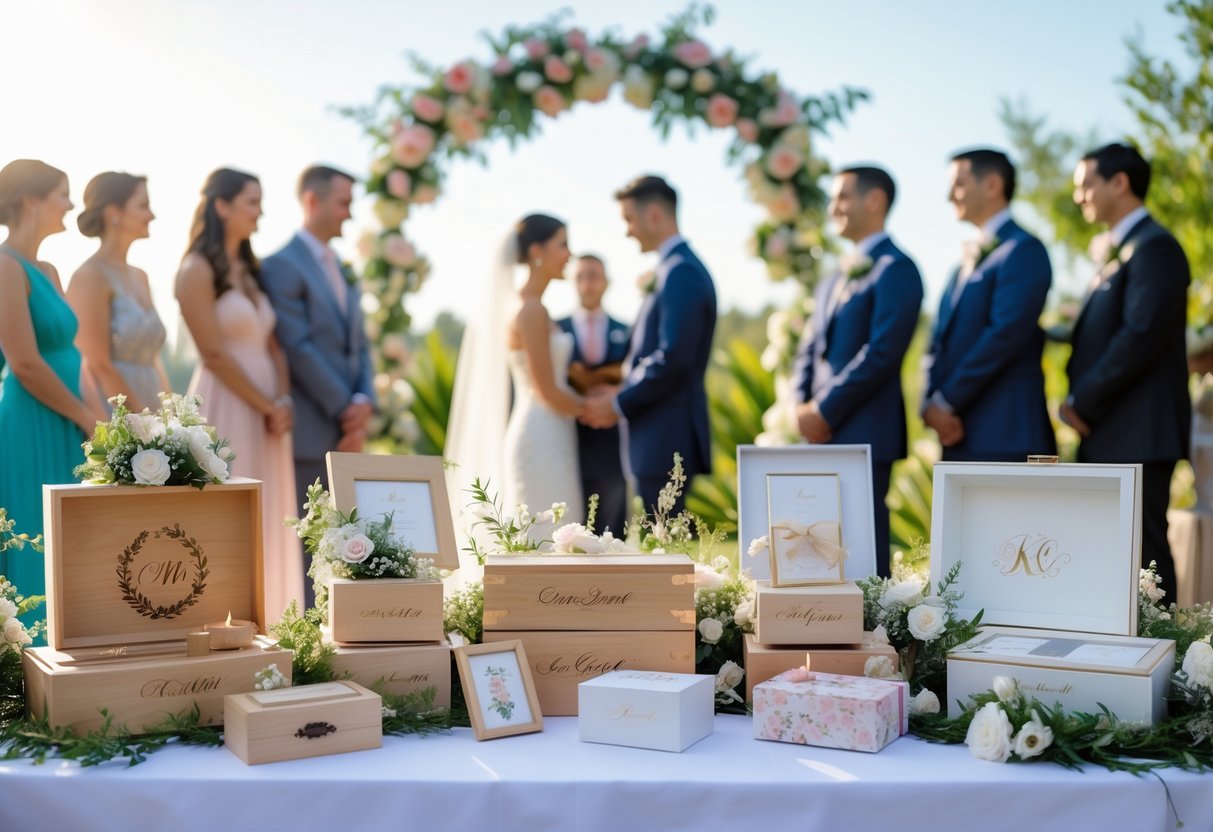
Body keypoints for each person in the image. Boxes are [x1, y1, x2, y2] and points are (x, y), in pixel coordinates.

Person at [1063, 142, 1190, 603]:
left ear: (1119, 183)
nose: (1079, 197)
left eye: (1086, 185)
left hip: (1138, 430)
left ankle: (1169, 662)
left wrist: (1082, 401)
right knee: (1113, 554)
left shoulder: (1155, 248)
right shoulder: (1125, 249)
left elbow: (1141, 334)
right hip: (1113, 429)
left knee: (1145, 556)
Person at [175, 168, 303, 623]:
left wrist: (282, 402)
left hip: (270, 411)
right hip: (227, 402)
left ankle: (275, 621)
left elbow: (273, 344)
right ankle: (223, 623)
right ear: (222, 205)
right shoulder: (195, 270)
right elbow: (212, 352)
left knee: (272, 512)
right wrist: (267, 404)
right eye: (252, 201)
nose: (260, 211)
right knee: (230, 515)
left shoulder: (251, 270)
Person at [791, 166, 923, 577]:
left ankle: (874, 632)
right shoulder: (832, 277)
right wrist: (800, 405)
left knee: (862, 549)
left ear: (875, 200)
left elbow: (882, 353)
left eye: (842, 197)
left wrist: (824, 410)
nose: (833, 208)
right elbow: (810, 347)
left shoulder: (896, 268)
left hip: (865, 430)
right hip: (818, 431)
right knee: (816, 543)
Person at [261, 166, 374, 606]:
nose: (350, 213)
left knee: (346, 546)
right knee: (309, 549)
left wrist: (364, 401)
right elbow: (298, 346)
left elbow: (359, 345)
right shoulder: (281, 266)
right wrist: (345, 408)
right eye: (343, 202)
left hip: (350, 429)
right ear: (313, 201)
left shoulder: (343, 269)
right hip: (310, 431)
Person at [0, 160, 104, 617]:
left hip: (71, 415)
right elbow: (24, 362)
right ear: (30, 200)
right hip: (33, 418)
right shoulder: (5, 267)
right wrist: (85, 416)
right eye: (62, 193)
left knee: (75, 543)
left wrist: (99, 414)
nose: (69, 203)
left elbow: (73, 355)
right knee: (35, 537)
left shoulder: (48, 270)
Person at [446, 214, 585, 551]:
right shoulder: (530, 311)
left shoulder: (538, 309)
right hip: (541, 435)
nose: (570, 254)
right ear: (537, 251)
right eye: (562, 244)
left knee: (559, 531)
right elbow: (546, 390)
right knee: (544, 533)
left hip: (555, 431)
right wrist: (602, 409)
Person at [582, 175, 716, 516]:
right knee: (659, 545)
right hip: (655, 435)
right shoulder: (672, 269)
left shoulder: (680, 272)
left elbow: (673, 358)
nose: (628, 230)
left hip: (665, 436)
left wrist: (618, 402)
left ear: (654, 214)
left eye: (629, 219)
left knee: (666, 549)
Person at [923, 148, 1055, 461]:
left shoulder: (1024, 250)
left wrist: (945, 401)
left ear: (993, 185)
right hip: (955, 433)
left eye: (958, 184)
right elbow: (938, 339)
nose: (949, 196)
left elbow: (1005, 334)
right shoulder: (960, 266)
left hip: (1005, 433)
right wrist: (929, 403)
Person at [68, 172, 169, 414]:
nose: (151, 215)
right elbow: (98, 364)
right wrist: (141, 423)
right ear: (113, 212)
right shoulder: (89, 277)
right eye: (143, 205)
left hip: (152, 406)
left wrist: (171, 417)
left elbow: (153, 358)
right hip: (115, 410)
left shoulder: (141, 276)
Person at [557, 254, 630, 535]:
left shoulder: (625, 330)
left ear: (606, 282)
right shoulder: (555, 328)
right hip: (564, 435)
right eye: (581, 276)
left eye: (594, 276)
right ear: (572, 282)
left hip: (610, 441)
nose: (588, 284)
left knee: (612, 521)